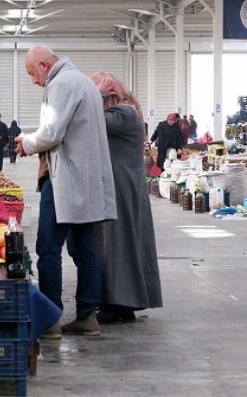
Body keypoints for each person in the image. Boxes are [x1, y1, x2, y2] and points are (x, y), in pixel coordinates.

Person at [15, 45, 116, 337]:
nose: (33, 81)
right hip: (85, 180)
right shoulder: (84, 82)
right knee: (85, 250)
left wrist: (26, 143)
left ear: (45, 65)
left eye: (32, 73)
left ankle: (50, 320)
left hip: (65, 180)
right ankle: (88, 316)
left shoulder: (61, 84)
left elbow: (51, 132)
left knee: (48, 247)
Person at [89, 71, 163, 323]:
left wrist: (96, 94)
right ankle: (121, 301)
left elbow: (88, 118)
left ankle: (121, 302)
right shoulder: (126, 113)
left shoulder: (123, 113)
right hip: (121, 185)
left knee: (119, 243)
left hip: (121, 187)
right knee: (120, 242)